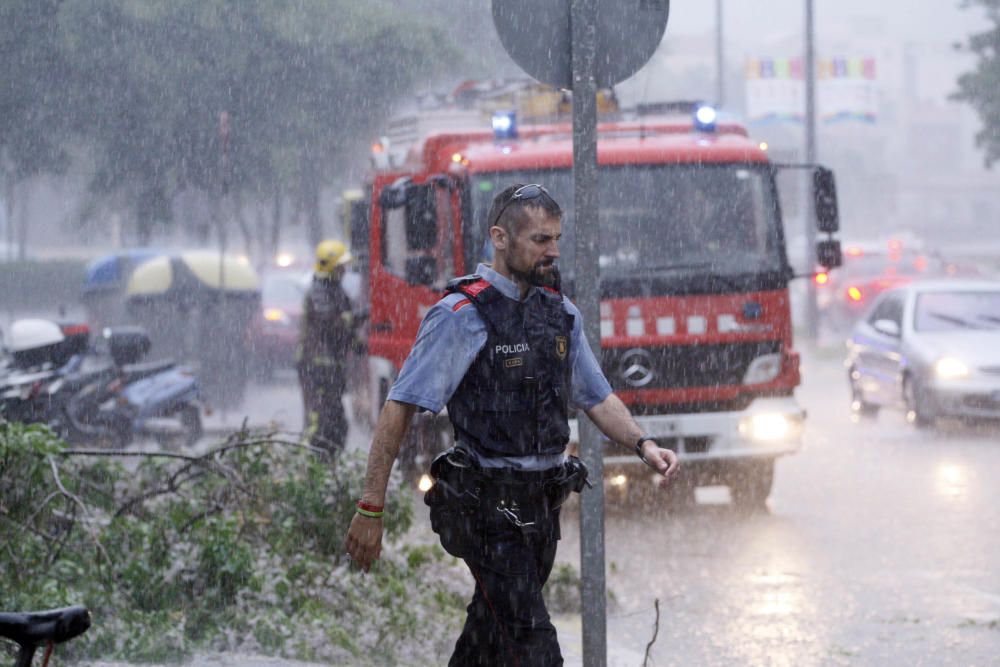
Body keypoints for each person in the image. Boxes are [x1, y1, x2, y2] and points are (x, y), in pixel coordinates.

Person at [344, 184, 680, 666]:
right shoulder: (460, 316)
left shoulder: (559, 314)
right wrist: (370, 508)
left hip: (543, 507)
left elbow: (597, 396)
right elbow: (399, 407)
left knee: (487, 640)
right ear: (500, 238)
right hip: (488, 512)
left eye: (557, 238)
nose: (554, 251)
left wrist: (644, 444)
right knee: (536, 650)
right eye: (541, 240)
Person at [297, 239, 361, 456]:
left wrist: (356, 343)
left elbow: (343, 330)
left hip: (330, 368)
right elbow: (330, 322)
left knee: (337, 425)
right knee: (318, 422)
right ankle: (307, 466)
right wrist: (357, 317)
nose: (345, 270)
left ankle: (328, 467)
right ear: (332, 268)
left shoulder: (335, 290)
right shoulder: (319, 290)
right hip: (316, 368)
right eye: (341, 266)